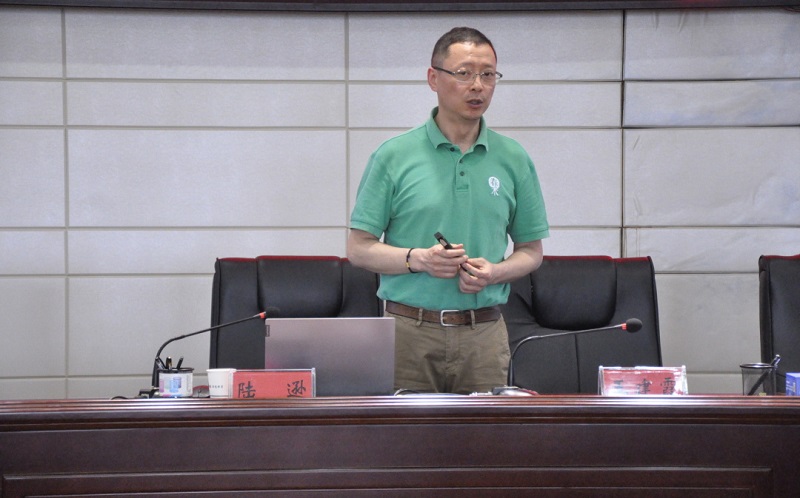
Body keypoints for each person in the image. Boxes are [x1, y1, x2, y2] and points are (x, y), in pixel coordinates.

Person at [347, 27, 549, 395]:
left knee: (485, 433)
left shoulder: (514, 158)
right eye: (464, 73)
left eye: (488, 74)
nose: (478, 86)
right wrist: (418, 259)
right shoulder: (394, 155)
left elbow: (531, 251)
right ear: (433, 78)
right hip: (408, 333)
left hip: (483, 334)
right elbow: (359, 249)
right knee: (405, 433)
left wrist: (496, 272)